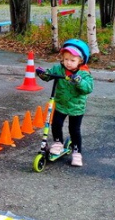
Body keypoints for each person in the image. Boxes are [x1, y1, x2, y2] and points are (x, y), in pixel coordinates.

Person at [35, 39, 94, 167]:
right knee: (56, 124)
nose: (68, 63)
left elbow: (88, 88)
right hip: (61, 104)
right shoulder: (59, 69)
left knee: (74, 130)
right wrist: (43, 74)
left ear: (81, 61)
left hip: (76, 106)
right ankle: (58, 143)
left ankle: (77, 152)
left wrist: (78, 81)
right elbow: (49, 75)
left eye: (72, 60)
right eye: (66, 59)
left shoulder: (84, 73)